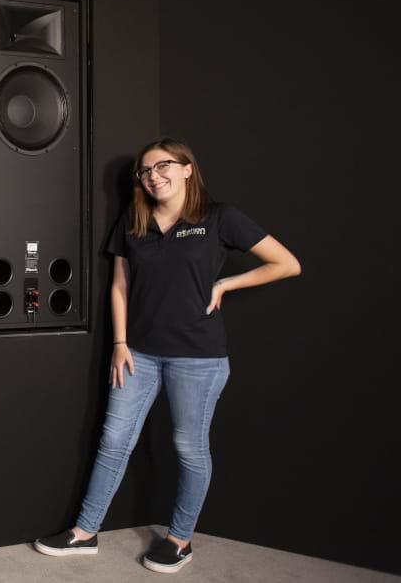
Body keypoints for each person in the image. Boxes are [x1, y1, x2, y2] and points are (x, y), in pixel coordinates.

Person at [33, 137, 301, 573]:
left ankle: (179, 539)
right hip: (138, 354)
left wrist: (224, 285)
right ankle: (84, 533)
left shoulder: (219, 218)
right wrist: (119, 343)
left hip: (198, 358)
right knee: (114, 441)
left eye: (163, 166)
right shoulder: (133, 222)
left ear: (187, 169)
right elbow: (119, 287)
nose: (153, 176)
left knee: (189, 448)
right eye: (145, 170)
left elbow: (286, 263)